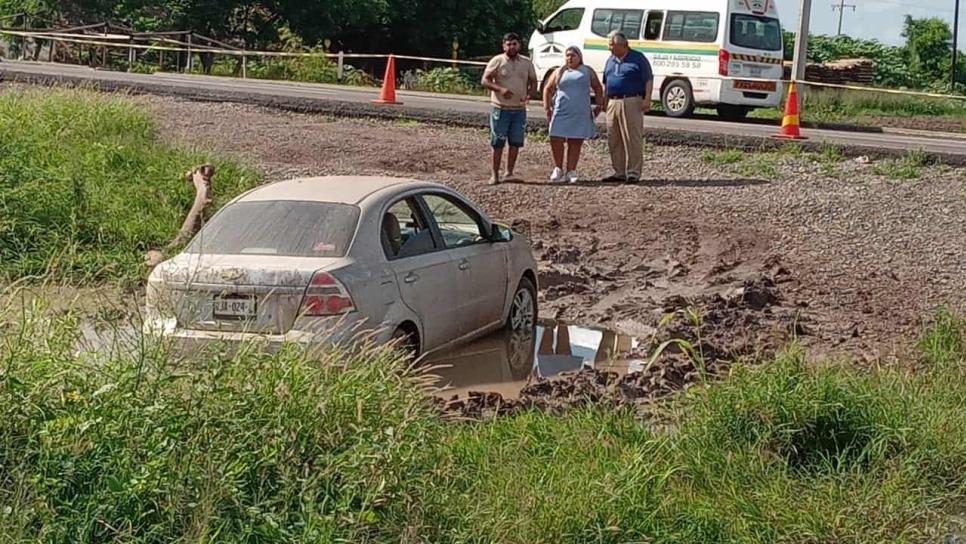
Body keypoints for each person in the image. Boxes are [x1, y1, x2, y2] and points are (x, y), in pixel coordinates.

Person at [482, 33, 538, 185]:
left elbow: (533, 81)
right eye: (508, 44)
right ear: (503, 45)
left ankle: (509, 172)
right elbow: (485, 80)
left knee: (515, 142)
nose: (511, 47)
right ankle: (495, 175)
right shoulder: (497, 61)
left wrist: (529, 95)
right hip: (500, 108)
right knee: (497, 142)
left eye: (514, 44)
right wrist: (500, 89)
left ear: (519, 45)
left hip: (519, 109)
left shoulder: (526, 63)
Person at [542, 46, 604, 183]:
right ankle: (558, 168)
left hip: (580, 111)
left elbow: (598, 87)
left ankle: (571, 170)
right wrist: (547, 107)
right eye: (567, 55)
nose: (570, 58)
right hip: (561, 110)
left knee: (575, 140)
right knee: (556, 137)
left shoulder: (587, 71)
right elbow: (548, 89)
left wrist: (599, 104)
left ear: (579, 57)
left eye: (573, 55)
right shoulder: (559, 71)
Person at [601, 30, 654, 183]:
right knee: (614, 138)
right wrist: (605, 101)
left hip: (631, 101)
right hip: (612, 101)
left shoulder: (638, 58)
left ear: (622, 45)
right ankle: (619, 171)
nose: (609, 48)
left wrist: (647, 99)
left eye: (611, 45)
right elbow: (607, 81)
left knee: (632, 137)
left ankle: (633, 172)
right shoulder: (610, 60)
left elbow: (648, 79)